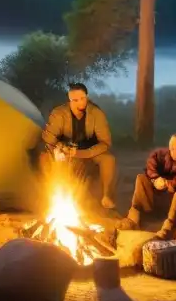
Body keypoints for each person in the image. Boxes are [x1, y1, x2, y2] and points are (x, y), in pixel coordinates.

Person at [116, 133, 176, 239]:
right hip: (168, 194)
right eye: (172, 148)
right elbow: (152, 162)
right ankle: (134, 218)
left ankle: (169, 228)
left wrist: (168, 183)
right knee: (142, 179)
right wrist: (156, 179)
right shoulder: (164, 155)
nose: (174, 152)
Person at [39, 82, 118, 210]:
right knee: (45, 158)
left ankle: (107, 197)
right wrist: (59, 147)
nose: (80, 103)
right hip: (65, 153)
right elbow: (48, 137)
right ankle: (51, 199)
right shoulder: (59, 113)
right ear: (69, 100)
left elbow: (105, 143)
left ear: (87, 97)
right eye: (75, 100)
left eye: (82, 98)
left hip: (89, 153)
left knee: (109, 159)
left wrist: (82, 153)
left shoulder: (96, 113)